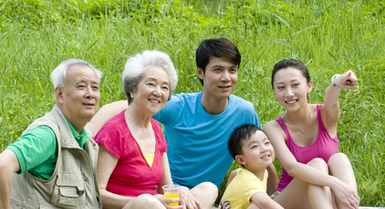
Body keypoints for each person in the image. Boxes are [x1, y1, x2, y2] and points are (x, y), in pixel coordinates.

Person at [0, 59, 156, 209]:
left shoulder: (83, 130)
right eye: (81, 86)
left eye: (95, 88)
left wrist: (148, 96)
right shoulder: (46, 135)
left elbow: (112, 109)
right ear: (60, 94)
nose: (90, 94)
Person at [92, 39, 279, 195]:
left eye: (232, 70)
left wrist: (269, 196)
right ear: (200, 72)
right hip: (167, 191)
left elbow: (261, 154)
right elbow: (117, 107)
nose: (226, 78)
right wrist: (85, 138)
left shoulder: (244, 111)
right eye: (218, 70)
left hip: (203, 195)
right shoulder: (179, 107)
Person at [94, 50, 218, 209]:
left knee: (207, 189)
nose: (158, 92)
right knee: (145, 202)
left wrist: (182, 191)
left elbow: (166, 187)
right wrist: (146, 201)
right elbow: (97, 193)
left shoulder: (156, 129)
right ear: (132, 89)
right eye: (151, 84)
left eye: (165, 87)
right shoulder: (114, 131)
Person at [264, 59, 360, 209]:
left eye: (295, 85)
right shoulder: (274, 127)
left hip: (325, 198)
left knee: (339, 158)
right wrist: (334, 182)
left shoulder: (325, 115)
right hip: (292, 202)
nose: (289, 93)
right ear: (275, 91)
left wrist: (337, 82)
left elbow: (330, 100)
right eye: (281, 87)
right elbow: (292, 168)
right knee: (316, 164)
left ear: (309, 86)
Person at [216, 124, 298, 209]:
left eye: (266, 143)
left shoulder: (258, 171)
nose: (264, 149)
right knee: (258, 207)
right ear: (241, 160)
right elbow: (265, 202)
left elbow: (234, 173)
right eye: (255, 146)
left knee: (269, 204)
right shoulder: (248, 179)